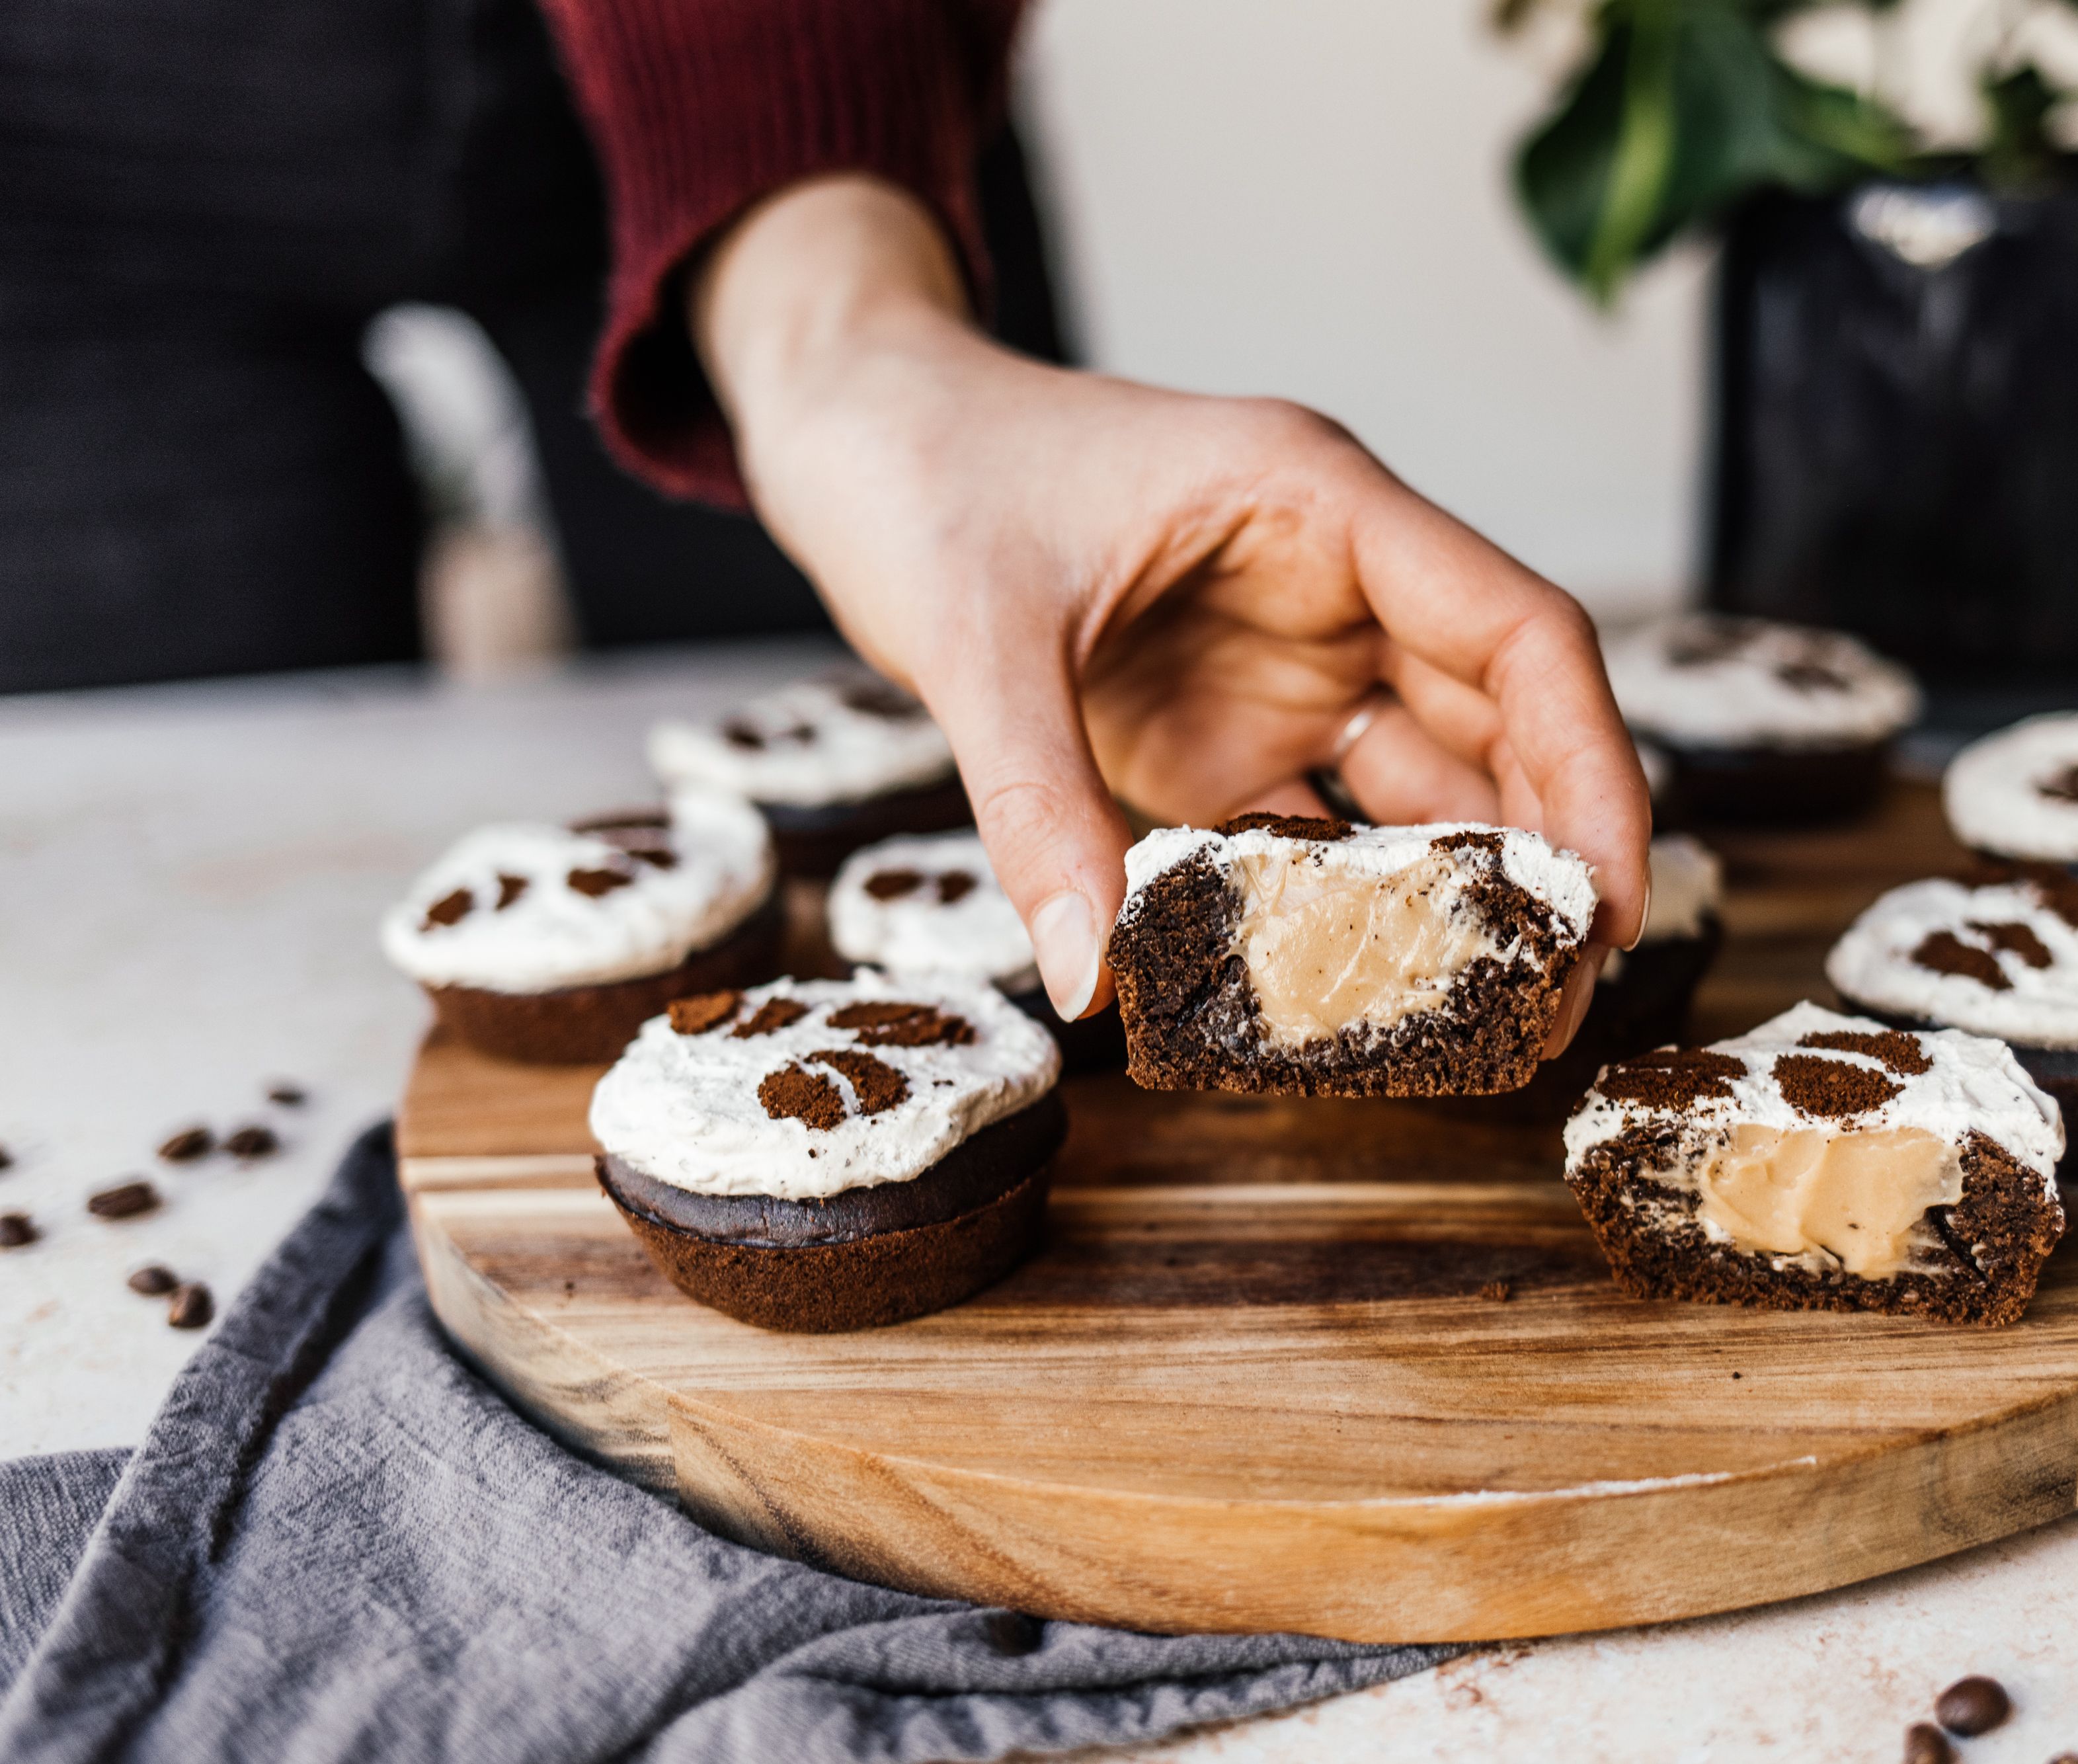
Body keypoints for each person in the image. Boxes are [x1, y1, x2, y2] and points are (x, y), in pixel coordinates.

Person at [1, 0, 1648, 1032]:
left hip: (797, 80)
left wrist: (853, 345)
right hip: (63, 148)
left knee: (1004, 725)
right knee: (174, 923)